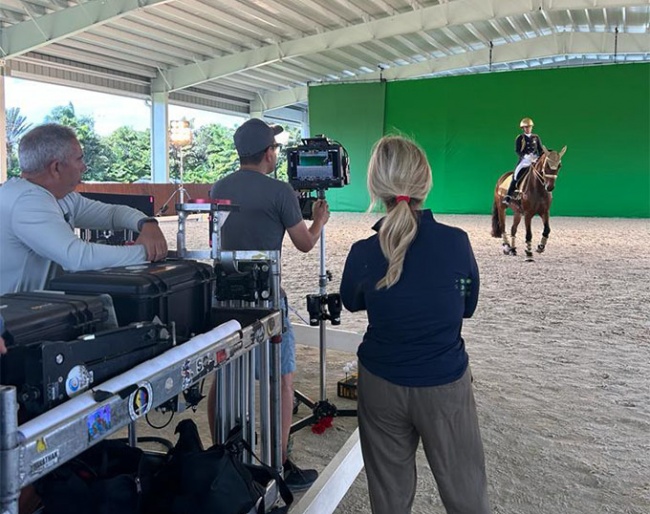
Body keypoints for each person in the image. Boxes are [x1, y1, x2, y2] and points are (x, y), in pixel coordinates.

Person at [340, 136, 490, 514]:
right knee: (466, 493)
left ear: (377, 187)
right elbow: (466, 305)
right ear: (425, 182)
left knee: (389, 498)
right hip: (444, 382)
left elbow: (351, 301)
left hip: (380, 383)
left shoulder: (363, 253)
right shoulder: (457, 243)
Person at [207, 118, 330, 491]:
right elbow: (305, 243)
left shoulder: (219, 186)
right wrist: (319, 221)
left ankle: (221, 456)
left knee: (225, 374)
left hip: (225, 289)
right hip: (265, 293)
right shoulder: (281, 192)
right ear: (268, 153)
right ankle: (276, 464)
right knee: (282, 377)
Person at [0, 124, 168, 294]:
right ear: (56, 168)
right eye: (79, 159)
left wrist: (147, 224)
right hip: (10, 316)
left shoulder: (60, 196)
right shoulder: (27, 201)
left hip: (32, 311)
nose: (84, 167)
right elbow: (77, 257)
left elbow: (112, 214)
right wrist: (146, 252)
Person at [503, 117, 545, 205]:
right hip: (525, 160)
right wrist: (525, 156)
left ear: (531, 127)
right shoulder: (520, 138)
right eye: (526, 127)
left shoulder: (536, 137)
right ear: (523, 128)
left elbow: (540, 150)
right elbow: (517, 150)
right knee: (516, 175)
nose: (528, 129)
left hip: (535, 159)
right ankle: (508, 196)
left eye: (529, 127)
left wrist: (540, 156)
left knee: (543, 172)